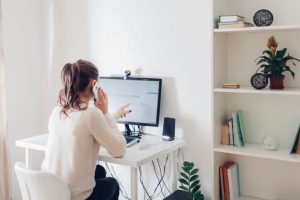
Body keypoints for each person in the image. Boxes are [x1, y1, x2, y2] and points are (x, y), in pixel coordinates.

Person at [41, 59, 129, 200]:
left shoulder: (57, 111)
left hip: (52, 192)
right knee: (113, 184)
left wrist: (113, 115)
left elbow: (84, 127)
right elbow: (119, 149)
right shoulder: (92, 114)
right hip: (74, 196)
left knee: (99, 171)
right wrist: (105, 113)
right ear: (94, 84)